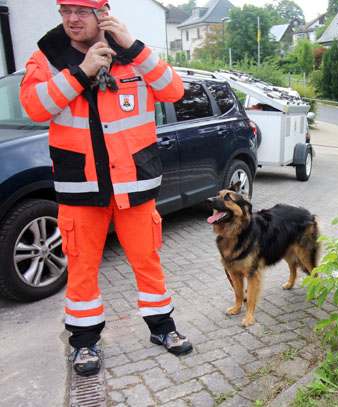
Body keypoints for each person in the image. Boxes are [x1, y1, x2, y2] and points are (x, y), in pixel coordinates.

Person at [20, 0, 193, 377]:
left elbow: (174, 90)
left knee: (148, 262)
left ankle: (163, 329)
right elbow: (34, 107)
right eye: (65, 11)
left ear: (104, 13)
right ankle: (84, 343)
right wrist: (80, 73)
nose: (71, 19)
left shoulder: (132, 53)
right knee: (82, 267)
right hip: (80, 186)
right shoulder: (48, 55)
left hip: (134, 183)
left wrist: (132, 46)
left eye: (81, 11)